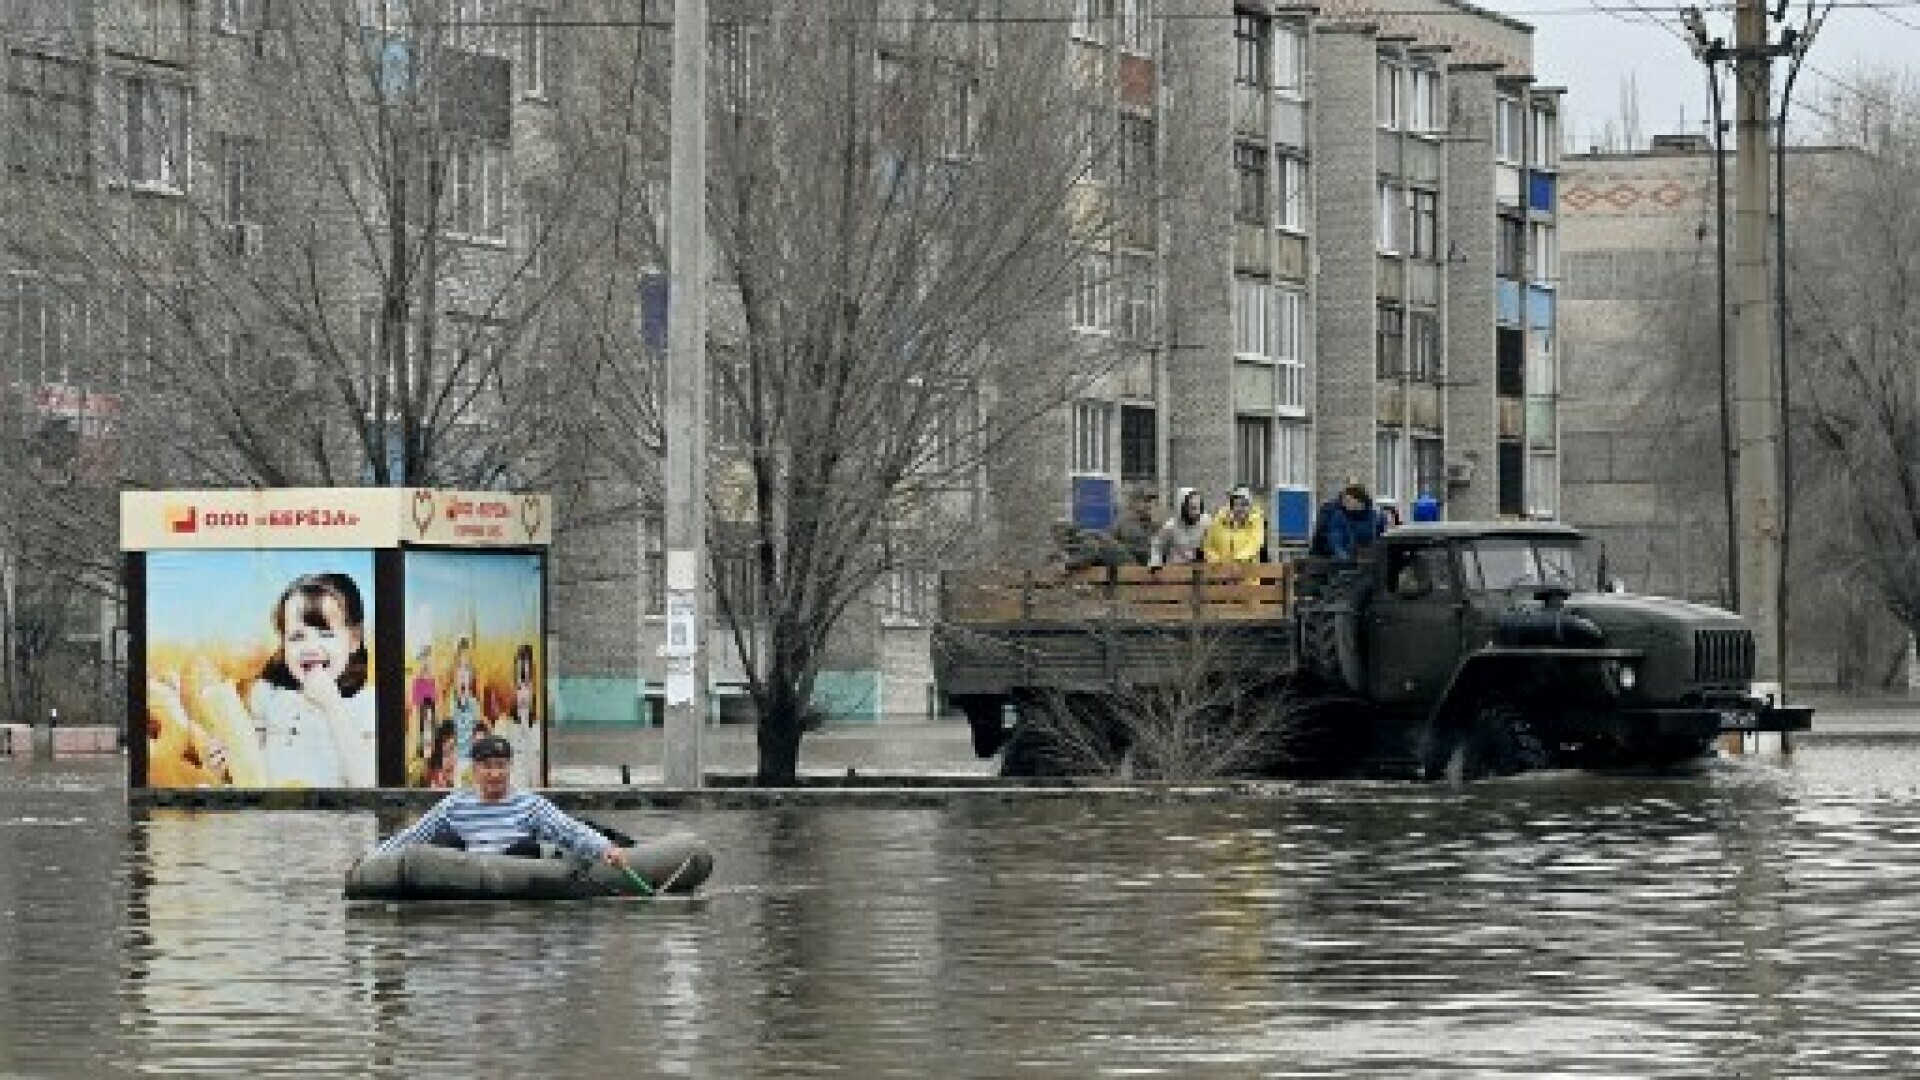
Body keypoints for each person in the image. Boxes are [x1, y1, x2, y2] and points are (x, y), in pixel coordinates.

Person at [374, 735, 630, 867]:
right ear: (475, 770)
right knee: (443, 842)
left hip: (514, 874)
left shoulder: (530, 805)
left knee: (527, 849)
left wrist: (604, 848)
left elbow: (568, 829)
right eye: (487, 767)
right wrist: (373, 859)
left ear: (509, 768)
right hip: (465, 875)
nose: (495, 774)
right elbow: (415, 835)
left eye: (501, 766)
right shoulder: (454, 805)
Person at [248, 572, 377, 787]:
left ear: (354, 639)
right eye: (297, 637)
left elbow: (369, 783)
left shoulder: (364, 703)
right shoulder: (269, 695)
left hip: (336, 819)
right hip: (276, 817)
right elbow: (252, 768)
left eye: (325, 634)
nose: (310, 647)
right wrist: (224, 762)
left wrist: (332, 706)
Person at [1310, 483, 1390, 563]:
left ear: (1358, 500)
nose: (1344, 503)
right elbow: (1336, 541)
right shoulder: (1339, 516)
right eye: (1344, 500)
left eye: (1348, 500)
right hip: (1344, 561)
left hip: (1368, 561)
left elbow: (1380, 540)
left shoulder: (1375, 517)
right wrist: (1346, 560)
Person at [446, 636, 482, 787]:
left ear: (472, 674)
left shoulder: (474, 704)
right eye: (459, 667)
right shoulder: (449, 702)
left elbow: (478, 735)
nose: (463, 673)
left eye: (467, 668)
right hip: (453, 763)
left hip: (471, 762)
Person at [1202, 486, 1266, 564]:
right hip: (1221, 572)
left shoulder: (1256, 522)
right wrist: (1216, 560)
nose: (1240, 508)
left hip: (1247, 572)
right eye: (1237, 504)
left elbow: (1254, 544)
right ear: (1231, 506)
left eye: (1244, 505)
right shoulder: (1218, 521)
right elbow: (1208, 545)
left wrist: (1238, 559)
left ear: (1250, 507)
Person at [1150, 488, 1210, 568]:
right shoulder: (1170, 526)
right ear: (1183, 507)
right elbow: (1157, 546)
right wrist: (1156, 563)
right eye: (1192, 508)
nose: (1196, 513)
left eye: (1199, 508)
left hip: (1198, 570)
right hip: (1175, 570)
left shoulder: (1207, 522)